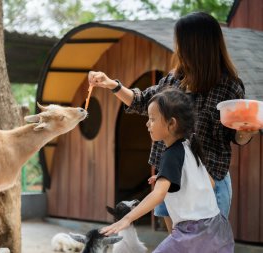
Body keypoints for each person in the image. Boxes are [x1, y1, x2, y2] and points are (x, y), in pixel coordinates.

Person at [88, 11, 257, 233]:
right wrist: (112, 85)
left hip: (208, 183)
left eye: (180, 43)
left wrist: (247, 130)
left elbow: (235, 137)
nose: (177, 48)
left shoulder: (229, 85)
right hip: (171, 181)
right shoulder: (172, 80)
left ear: (196, 45)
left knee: (206, 247)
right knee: (179, 245)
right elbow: (141, 101)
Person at [101, 88, 235, 252]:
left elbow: (158, 194)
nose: (147, 123)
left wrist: (127, 219)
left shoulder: (171, 154)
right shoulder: (191, 146)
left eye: (152, 119)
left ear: (171, 123)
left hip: (192, 233)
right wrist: (164, 176)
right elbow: (210, 183)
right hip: (217, 229)